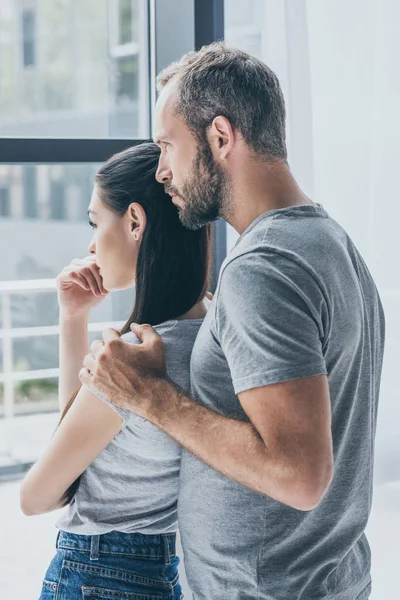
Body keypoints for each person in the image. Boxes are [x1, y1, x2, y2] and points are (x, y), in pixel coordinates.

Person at [79, 42, 386, 600]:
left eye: (168, 146)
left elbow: (300, 474)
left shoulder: (261, 269)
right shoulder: (331, 243)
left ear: (221, 137)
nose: (162, 170)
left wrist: (151, 397)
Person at [20, 142, 211, 600]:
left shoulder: (134, 363)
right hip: (163, 571)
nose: (89, 243)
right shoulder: (214, 333)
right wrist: (74, 319)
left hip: (95, 574)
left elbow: (38, 496)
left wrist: (70, 323)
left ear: (134, 223)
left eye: (94, 221)